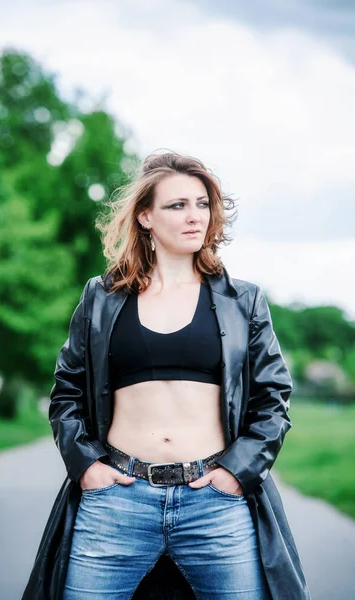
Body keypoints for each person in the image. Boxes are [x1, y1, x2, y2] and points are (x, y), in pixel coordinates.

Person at [26, 151, 311, 600]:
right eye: (177, 205)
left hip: (215, 501)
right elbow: (66, 392)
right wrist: (87, 467)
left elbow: (273, 397)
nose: (194, 216)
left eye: (202, 204)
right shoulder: (102, 297)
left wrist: (236, 472)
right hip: (116, 499)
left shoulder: (244, 301)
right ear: (145, 216)